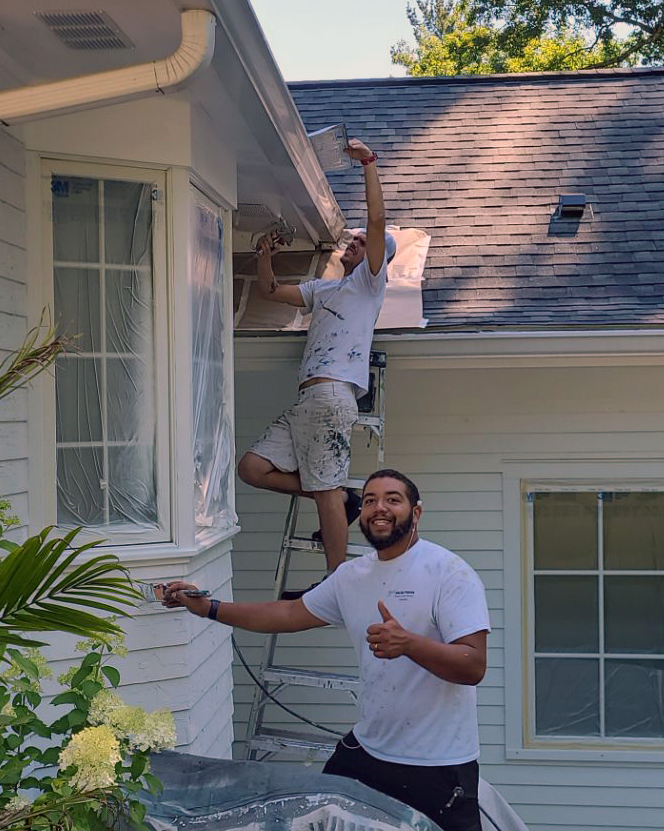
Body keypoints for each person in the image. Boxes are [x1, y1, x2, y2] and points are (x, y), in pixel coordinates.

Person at [163, 469, 490, 831]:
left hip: (437, 766)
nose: (379, 508)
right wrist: (209, 608)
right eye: (370, 500)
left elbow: (473, 665)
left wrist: (409, 643)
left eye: (393, 499)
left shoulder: (449, 573)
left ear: (416, 512)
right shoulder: (351, 576)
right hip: (368, 752)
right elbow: (287, 613)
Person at [238, 138, 395, 589]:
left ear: (377, 258)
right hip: (307, 400)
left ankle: (335, 582)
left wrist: (368, 163)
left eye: (363, 243)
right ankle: (339, 496)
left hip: (332, 395)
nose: (355, 242)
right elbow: (271, 291)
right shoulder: (323, 289)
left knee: (325, 490)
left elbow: (377, 221)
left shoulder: (369, 284)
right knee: (252, 468)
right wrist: (264, 256)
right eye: (354, 240)